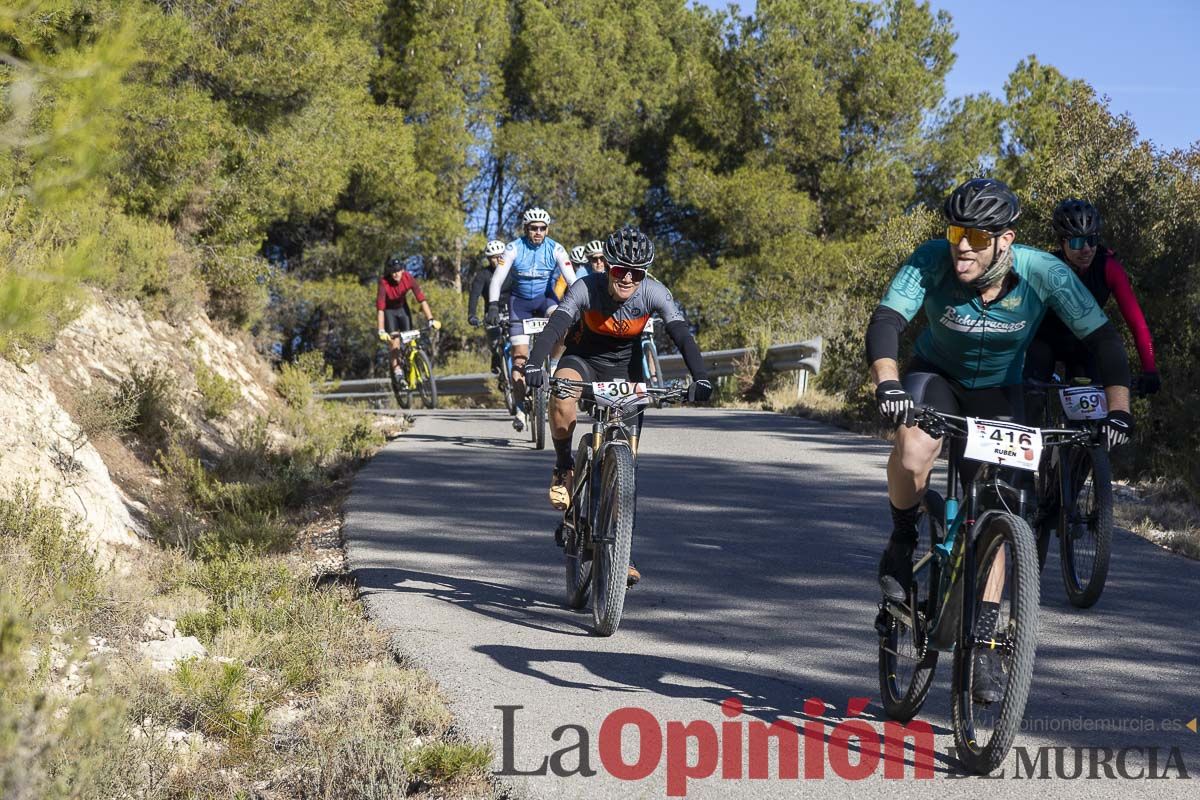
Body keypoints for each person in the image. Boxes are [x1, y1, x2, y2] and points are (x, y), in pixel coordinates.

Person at [865, 178, 1132, 703]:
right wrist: (889, 383)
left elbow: (1103, 340)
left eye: (978, 236)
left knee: (1006, 504)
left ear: (1005, 240)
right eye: (956, 230)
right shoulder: (932, 260)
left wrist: (1118, 412)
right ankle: (900, 540)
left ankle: (986, 635)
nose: (962, 244)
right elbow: (887, 321)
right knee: (915, 446)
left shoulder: (1044, 273)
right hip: (936, 378)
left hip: (1000, 392)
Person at [524, 226, 713, 586]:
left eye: (636, 272)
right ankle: (563, 465)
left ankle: (622, 550)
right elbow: (557, 325)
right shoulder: (586, 287)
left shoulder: (654, 292)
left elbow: (682, 333)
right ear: (607, 267)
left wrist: (700, 377)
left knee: (628, 469)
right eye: (619, 270)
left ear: (645, 274)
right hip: (583, 360)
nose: (627, 278)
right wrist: (535, 363)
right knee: (562, 395)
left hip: (626, 370)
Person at [1024, 198, 1160, 396]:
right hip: (1044, 341)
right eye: (1077, 242)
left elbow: (1137, 324)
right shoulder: (1046, 267)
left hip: (1083, 343)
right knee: (1031, 400)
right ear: (1062, 243)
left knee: (1090, 410)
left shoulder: (1109, 268)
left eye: (1092, 239)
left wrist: (1150, 369)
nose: (1087, 249)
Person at [485, 208, 577, 432]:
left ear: (547, 229)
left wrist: (579, 304)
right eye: (533, 228)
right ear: (526, 229)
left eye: (542, 228)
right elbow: (497, 279)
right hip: (520, 304)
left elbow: (572, 280)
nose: (538, 232)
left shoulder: (555, 248)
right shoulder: (514, 248)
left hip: (545, 299)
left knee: (562, 318)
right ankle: (519, 408)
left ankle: (554, 364)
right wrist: (493, 306)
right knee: (519, 359)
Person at [376, 254, 440, 377]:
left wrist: (431, 319)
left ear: (403, 270)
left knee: (410, 337)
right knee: (395, 341)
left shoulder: (408, 278)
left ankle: (414, 363)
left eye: (398, 271)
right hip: (389, 311)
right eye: (393, 272)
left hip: (402, 309)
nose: (396, 274)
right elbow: (380, 309)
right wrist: (381, 330)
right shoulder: (384, 283)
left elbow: (422, 300)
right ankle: (397, 370)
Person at [468, 240, 514, 376]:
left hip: (512, 311)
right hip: (492, 314)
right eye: (494, 257)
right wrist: (471, 315)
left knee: (521, 344)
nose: (498, 259)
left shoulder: (512, 272)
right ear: (489, 259)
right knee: (494, 342)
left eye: (501, 255)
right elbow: (474, 296)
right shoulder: (483, 275)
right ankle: (496, 358)